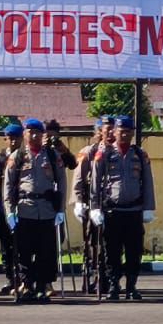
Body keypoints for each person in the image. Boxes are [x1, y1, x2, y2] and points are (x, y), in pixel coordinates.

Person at [90, 114, 155, 300]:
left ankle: (131, 286)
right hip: (112, 211)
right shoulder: (105, 154)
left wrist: (148, 207)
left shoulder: (140, 155)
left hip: (133, 211)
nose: (124, 135)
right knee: (112, 252)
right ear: (115, 132)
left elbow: (148, 182)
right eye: (121, 132)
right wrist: (95, 207)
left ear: (132, 133)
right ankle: (113, 286)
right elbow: (96, 182)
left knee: (134, 251)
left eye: (128, 132)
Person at [4, 118, 67, 302]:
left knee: (45, 251)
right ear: (24, 134)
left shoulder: (52, 155)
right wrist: (9, 210)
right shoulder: (18, 156)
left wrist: (61, 210)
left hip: (47, 210)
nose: (33, 135)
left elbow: (62, 182)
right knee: (24, 251)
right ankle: (27, 285)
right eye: (29, 132)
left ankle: (42, 286)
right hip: (25, 209)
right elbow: (8, 185)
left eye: (37, 132)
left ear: (42, 135)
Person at [73, 116, 112, 297]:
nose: (111, 133)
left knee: (111, 244)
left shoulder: (118, 152)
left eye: (113, 129)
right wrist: (79, 202)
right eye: (106, 130)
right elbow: (79, 179)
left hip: (113, 205)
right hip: (92, 204)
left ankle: (108, 278)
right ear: (99, 133)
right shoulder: (89, 152)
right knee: (92, 243)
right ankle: (90, 276)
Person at [0, 124, 24, 296]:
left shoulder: (25, 156)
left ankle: (24, 280)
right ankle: (11, 279)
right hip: (4, 207)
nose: (13, 140)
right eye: (10, 137)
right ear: (5, 139)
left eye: (16, 137)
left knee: (23, 246)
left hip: (23, 207)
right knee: (6, 246)